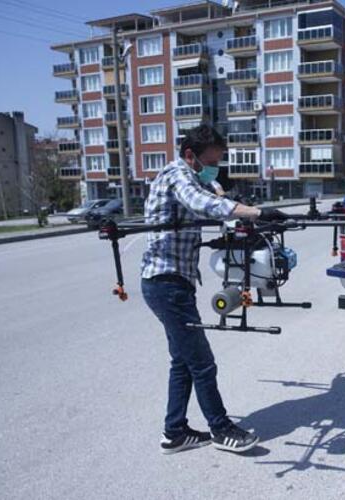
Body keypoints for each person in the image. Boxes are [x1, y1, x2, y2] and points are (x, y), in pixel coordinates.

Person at [141, 124, 287, 455]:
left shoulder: (194, 176)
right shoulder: (177, 175)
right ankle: (221, 429)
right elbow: (202, 203)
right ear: (190, 156)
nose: (215, 167)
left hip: (171, 283)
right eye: (212, 161)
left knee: (183, 361)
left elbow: (213, 195)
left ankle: (174, 432)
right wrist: (258, 213)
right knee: (202, 362)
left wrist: (232, 202)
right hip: (166, 285)